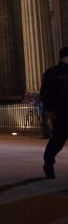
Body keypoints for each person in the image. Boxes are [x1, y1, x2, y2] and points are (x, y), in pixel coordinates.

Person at [40, 46, 68, 179]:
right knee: (57, 141)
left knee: (57, 141)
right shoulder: (53, 73)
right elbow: (45, 93)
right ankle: (48, 164)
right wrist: (49, 110)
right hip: (61, 112)